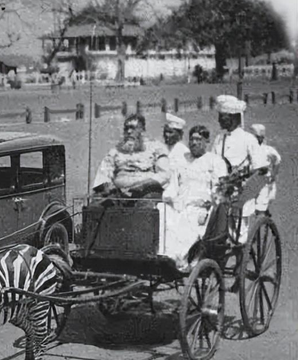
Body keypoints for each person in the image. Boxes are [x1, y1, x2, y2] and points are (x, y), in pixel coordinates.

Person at [162, 125, 228, 269]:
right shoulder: (182, 160)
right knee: (162, 212)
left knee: (189, 220)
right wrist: (168, 197)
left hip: (201, 207)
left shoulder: (215, 161)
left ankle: (181, 259)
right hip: (179, 204)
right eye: (191, 139)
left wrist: (211, 204)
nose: (194, 143)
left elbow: (220, 189)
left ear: (206, 141)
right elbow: (173, 184)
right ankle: (164, 255)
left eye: (199, 139)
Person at [210, 94, 269, 243]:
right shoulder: (219, 139)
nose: (218, 120)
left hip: (241, 195)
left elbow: (261, 169)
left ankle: (237, 260)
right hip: (219, 193)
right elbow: (211, 164)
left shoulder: (248, 139)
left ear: (234, 118)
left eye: (222, 116)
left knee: (238, 237)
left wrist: (259, 201)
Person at [93, 113, 170, 200]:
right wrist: (109, 187)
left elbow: (164, 175)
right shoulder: (115, 151)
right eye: (126, 129)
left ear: (142, 130)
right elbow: (103, 175)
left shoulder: (156, 148)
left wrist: (145, 184)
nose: (129, 132)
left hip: (147, 193)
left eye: (133, 128)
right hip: (120, 196)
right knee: (95, 207)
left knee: (145, 208)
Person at [250, 123, 281, 215]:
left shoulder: (268, 150)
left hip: (265, 184)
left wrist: (273, 176)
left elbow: (277, 161)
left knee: (260, 207)